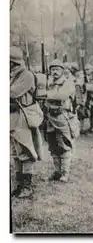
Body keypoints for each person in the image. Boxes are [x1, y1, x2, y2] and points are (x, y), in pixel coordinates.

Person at [10, 46, 44, 198]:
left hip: (23, 115)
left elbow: (13, 92)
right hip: (11, 115)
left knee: (25, 150)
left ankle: (27, 186)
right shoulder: (11, 75)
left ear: (14, 62)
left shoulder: (26, 75)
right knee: (15, 153)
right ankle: (19, 185)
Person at [45, 59, 77, 182]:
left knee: (64, 144)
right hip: (50, 117)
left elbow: (60, 96)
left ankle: (65, 172)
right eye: (52, 69)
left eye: (57, 69)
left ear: (62, 71)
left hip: (62, 117)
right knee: (53, 146)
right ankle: (57, 171)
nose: (55, 72)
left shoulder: (68, 83)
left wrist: (45, 94)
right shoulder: (49, 82)